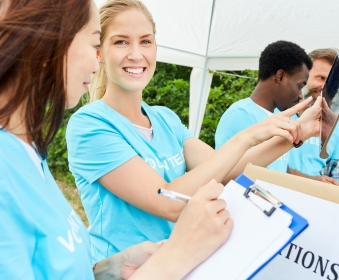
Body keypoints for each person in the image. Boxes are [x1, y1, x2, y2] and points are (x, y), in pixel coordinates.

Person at [66, 0, 323, 262]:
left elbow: (229, 169)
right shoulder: (90, 125)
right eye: (121, 42)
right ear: (99, 52)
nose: (136, 54)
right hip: (126, 272)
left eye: (145, 41)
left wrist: (297, 133)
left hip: (178, 266)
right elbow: (169, 203)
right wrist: (246, 137)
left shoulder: (165, 118)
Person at [0, 0, 233, 278]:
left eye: (146, 41)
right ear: (48, 43)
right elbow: (167, 202)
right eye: (94, 43)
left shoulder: (29, 154)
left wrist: (108, 270)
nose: (95, 60)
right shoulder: (8, 164)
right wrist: (178, 255)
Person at [214, 40, 312, 172]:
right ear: (280, 76)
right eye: (300, 86)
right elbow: (222, 173)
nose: (300, 95)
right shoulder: (239, 115)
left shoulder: (283, 118)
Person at [287, 48, 339, 188]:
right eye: (321, 78)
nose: (325, 87)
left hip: (316, 199)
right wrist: (311, 181)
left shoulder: (338, 125)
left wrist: (337, 188)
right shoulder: (279, 112)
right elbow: (263, 166)